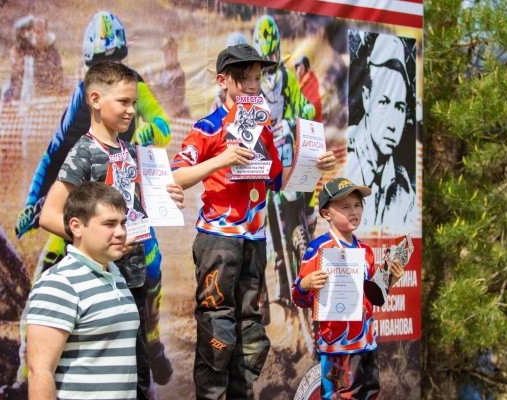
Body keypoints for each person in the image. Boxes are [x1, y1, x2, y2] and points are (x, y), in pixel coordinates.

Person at [12, 10, 175, 392]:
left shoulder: (137, 88)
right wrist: (33, 202)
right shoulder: (81, 99)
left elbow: (163, 125)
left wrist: (150, 132)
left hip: (128, 204)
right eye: (100, 66)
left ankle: (152, 340)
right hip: (85, 207)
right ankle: (25, 373)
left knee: (151, 267)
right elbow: (55, 151)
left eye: (114, 62)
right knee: (45, 273)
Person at [171, 43, 336, 399]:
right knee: (217, 330)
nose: (251, 85)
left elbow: (279, 179)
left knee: (250, 335)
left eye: (257, 78)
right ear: (222, 81)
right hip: (218, 240)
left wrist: (313, 166)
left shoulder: (263, 129)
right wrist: (222, 159)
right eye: (243, 78)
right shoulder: (209, 126)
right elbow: (177, 176)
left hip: (254, 241)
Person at [37, 61, 184, 400]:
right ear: (95, 100)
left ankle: (152, 347)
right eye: (123, 102)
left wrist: (171, 193)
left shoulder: (131, 152)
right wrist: (97, 244)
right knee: (109, 376)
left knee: (140, 378)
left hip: (134, 282)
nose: (132, 110)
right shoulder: (84, 152)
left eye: (134, 103)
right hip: (101, 287)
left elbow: (155, 189)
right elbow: (50, 215)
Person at [291, 177, 404, 399]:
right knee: (341, 396)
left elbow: (372, 295)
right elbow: (298, 297)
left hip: (367, 343)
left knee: (369, 394)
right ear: (326, 213)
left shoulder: (365, 251)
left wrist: (390, 280)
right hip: (337, 347)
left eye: (357, 205)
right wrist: (306, 284)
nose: (354, 212)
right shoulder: (318, 249)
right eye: (345, 207)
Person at [26, 181, 140, 400]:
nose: (120, 232)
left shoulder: (115, 275)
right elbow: (39, 372)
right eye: (109, 224)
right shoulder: (59, 284)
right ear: (76, 226)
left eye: (123, 223)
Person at [253, 14, 318, 306]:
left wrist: (297, 116)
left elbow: (303, 105)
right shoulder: (251, 84)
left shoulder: (287, 77)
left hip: (287, 152)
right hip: (262, 159)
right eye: (266, 57)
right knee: (260, 221)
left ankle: (309, 219)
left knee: (307, 180)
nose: (272, 60)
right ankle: (271, 287)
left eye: (275, 54)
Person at [344, 32, 417, 230]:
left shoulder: (404, 190)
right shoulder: (342, 158)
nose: (392, 124)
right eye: (384, 102)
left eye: (399, 107)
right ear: (366, 98)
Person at [3, 15, 64, 102]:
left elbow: (57, 81)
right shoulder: (24, 51)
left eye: (40, 32)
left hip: (47, 97)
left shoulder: (53, 53)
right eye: (35, 32)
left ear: (46, 32)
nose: (37, 36)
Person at [294, 55, 322, 123]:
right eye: (298, 67)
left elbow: (314, 101)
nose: (299, 70)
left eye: (301, 67)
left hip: (312, 116)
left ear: (306, 67)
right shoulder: (300, 81)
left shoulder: (309, 78)